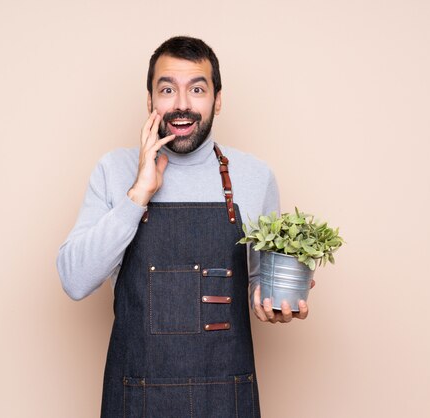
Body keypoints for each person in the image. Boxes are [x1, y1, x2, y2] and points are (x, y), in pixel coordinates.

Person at [57, 36, 312, 417]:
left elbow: (261, 280)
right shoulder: (114, 171)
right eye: (167, 89)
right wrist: (139, 192)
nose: (181, 104)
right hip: (138, 398)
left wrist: (276, 299)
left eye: (197, 89)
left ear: (217, 100)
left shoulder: (255, 177)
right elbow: (75, 280)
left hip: (227, 398)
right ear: (150, 101)